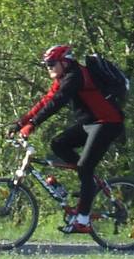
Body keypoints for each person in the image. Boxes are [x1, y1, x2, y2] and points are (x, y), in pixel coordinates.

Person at [7, 44, 125, 235]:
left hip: (108, 123)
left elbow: (56, 103)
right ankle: (88, 184)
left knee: (85, 166)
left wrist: (33, 125)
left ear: (65, 62)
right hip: (90, 123)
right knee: (58, 144)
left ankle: (83, 220)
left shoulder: (75, 76)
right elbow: (46, 100)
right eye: (47, 64)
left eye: (52, 64)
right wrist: (21, 122)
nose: (49, 68)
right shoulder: (63, 78)